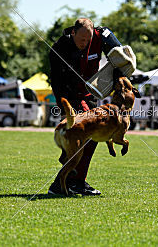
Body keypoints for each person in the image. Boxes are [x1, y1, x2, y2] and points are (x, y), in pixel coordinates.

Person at [48, 18, 122, 196]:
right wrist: (65, 106)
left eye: (88, 40)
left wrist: (119, 76)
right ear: (73, 33)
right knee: (82, 137)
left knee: (90, 139)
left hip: (89, 95)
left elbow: (121, 56)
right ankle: (62, 183)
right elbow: (57, 82)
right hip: (70, 96)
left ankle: (77, 181)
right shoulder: (58, 49)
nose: (85, 44)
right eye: (81, 40)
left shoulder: (101, 36)